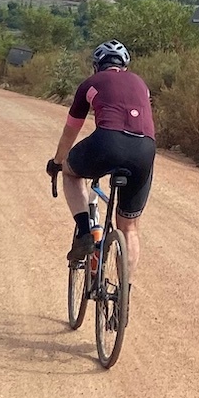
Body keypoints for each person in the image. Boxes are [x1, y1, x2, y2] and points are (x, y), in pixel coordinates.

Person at [48, 39, 155, 273]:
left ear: (97, 65)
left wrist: (57, 162)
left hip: (108, 142)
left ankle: (85, 233)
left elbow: (71, 129)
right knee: (130, 228)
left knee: (70, 171)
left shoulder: (91, 83)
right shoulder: (141, 84)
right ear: (125, 65)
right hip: (145, 149)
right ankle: (123, 298)